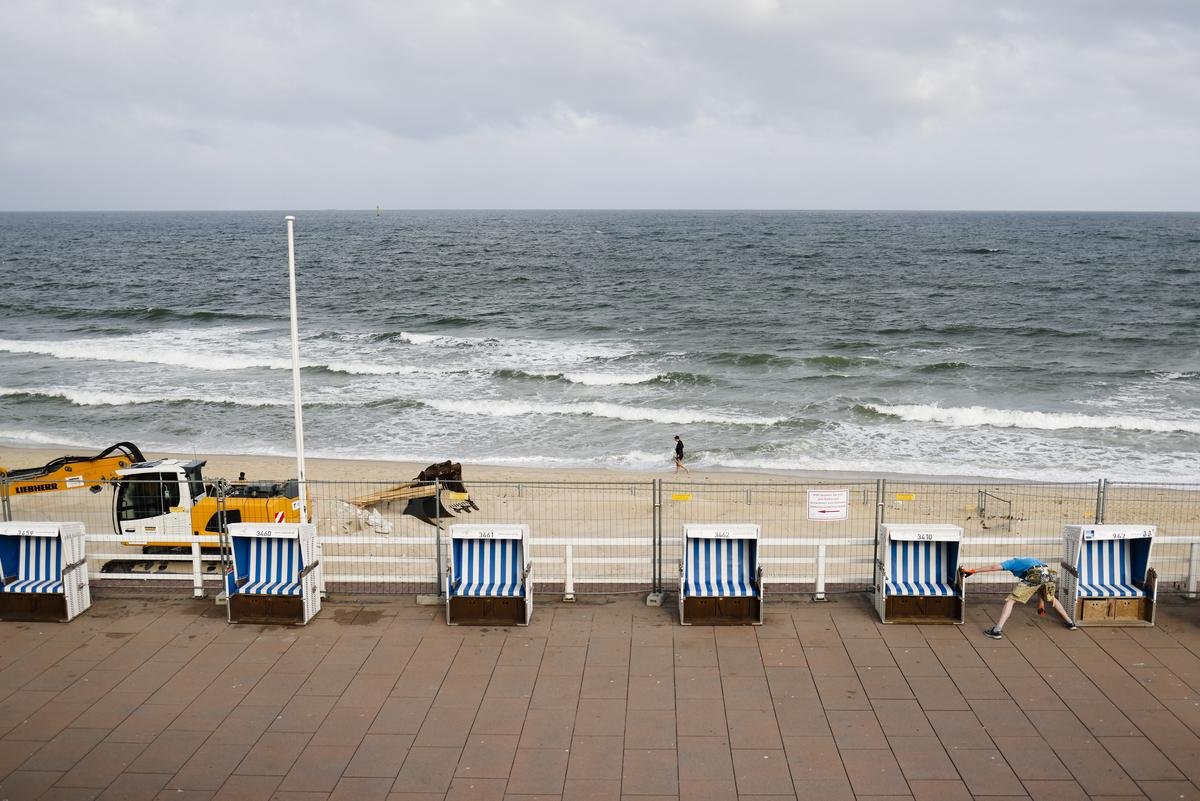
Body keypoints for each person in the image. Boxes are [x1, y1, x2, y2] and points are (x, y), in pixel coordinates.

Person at [964, 557, 1077, 639]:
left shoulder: (1012, 562)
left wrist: (974, 571)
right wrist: (1041, 604)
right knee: (1052, 598)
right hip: (1048, 573)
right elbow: (1039, 585)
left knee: (1011, 600)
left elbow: (993, 567)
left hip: (1036, 574)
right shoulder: (1031, 561)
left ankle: (997, 630)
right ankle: (1070, 623)